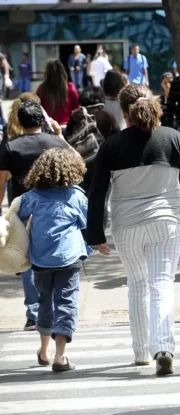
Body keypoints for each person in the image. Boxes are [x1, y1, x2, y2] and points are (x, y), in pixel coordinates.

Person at [87, 84, 180, 376]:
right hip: (167, 223)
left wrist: (95, 234)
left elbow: (97, 192)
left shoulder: (112, 146)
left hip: (127, 226)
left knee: (138, 285)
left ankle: (142, 352)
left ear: (123, 111)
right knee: (161, 284)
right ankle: (163, 348)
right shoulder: (174, 139)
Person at [18, 148, 90, 372]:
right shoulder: (76, 196)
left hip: (40, 260)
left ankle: (43, 350)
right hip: (68, 258)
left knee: (44, 302)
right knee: (66, 303)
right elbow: (85, 223)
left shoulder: (31, 197)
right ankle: (60, 356)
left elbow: (18, 220)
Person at [0, 101, 69, 332]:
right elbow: (73, 169)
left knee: (26, 260)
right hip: (53, 206)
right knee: (51, 256)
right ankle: (54, 310)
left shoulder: (10, 147)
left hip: (23, 208)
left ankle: (34, 312)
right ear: (42, 120)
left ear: (20, 122)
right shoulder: (54, 143)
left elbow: (0, 183)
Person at [37, 60, 80, 126]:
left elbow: (37, 108)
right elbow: (77, 109)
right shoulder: (70, 87)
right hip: (67, 127)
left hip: (48, 128)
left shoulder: (42, 89)